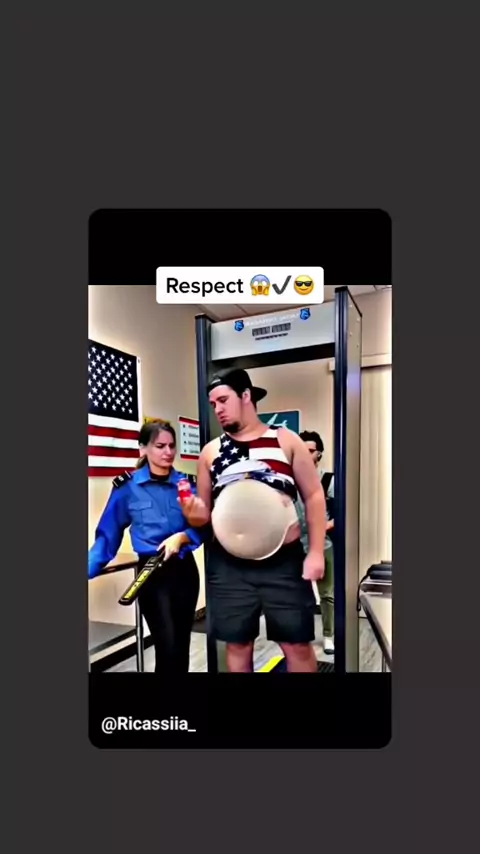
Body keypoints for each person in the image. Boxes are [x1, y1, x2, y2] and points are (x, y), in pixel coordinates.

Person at [181, 368, 327, 673]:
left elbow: (314, 495)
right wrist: (193, 514)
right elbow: (204, 513)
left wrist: (315, 552)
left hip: (283, 563)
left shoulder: (286, 440)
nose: (217, 409)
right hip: (229, 566)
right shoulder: (210, 452)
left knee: (297, 645)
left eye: (223, 400)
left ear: (246, 395)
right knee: (237, 644)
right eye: (213, 404)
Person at [88, 421, 204, 674]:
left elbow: (205, 525)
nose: (168, 452)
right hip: (152, 574)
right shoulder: (127, 488)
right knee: (166, 647)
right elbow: (107, 536)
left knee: (181, 646)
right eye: (160, 446)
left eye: (172, 446)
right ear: (143, 448)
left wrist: (183, 537)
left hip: (184, 571)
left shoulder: (186, 484)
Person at [298, 430, 335, 655]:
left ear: (319, 454)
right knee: (299, 594)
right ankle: (302, 634)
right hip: (296, 546)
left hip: (323, 544)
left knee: (327, 594)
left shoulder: (328, 480)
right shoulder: (290, 480)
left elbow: (341, 515)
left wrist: (322, 527)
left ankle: (329, 636)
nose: (305, 454)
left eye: (310, 450)